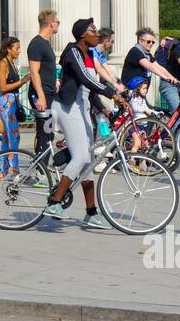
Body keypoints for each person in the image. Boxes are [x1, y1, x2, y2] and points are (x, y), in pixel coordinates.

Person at [42, 18, 124, 230]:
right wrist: (112, 93)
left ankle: (91, 213)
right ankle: (54, 202)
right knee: (80, 156)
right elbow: (87, 81)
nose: (97, 34)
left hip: (81, 108)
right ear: (82, 35)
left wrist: (104, 108)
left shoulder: (88, 55)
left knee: (88, 162)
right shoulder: (73, 53)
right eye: (93, 31)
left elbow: (88, 90)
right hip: (67, 109)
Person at [0, 36, 30, 179]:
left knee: (7, 137)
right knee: (13, 136)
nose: (19, 51)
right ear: (8, 49)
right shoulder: (3, 64)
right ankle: (14, 170)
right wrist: (22, 81)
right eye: (17, 48)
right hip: (6, 103)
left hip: (12, 102)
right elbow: (3, 87)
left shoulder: (11, 63)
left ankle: (4, 170)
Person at [27, 9, 61, 155]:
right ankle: (40, 172)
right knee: (44, 134)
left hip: (49, 93)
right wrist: (40, 96)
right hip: (41, 95)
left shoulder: (45, 44)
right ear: (52, 23)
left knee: (48, 133)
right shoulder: (37, 44)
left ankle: (42, 167)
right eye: (58, 22)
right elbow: (34, 72)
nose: (59, 25)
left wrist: (55, 83)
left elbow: (45, 70)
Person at [120, 27, 180, 106]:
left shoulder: (147, 54)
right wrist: (166, 78)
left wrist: (173, 79)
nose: (151, 44)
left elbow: (159, 67)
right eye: (148, 42)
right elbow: (149, 66)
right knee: (140, 116)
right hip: (131, 92)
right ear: (140, 41)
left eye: (153, 42)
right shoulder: (135, 51)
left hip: (139, 93)